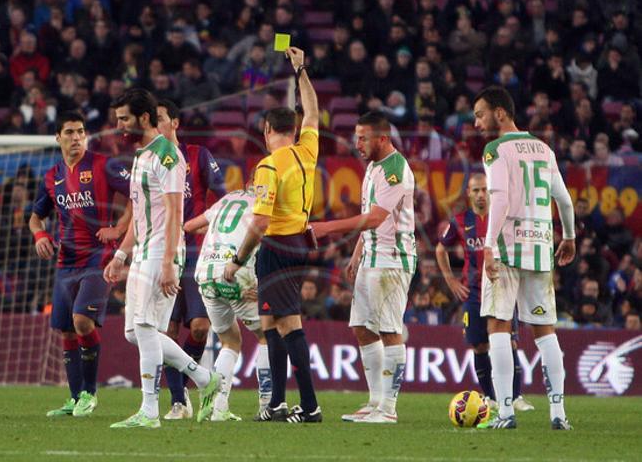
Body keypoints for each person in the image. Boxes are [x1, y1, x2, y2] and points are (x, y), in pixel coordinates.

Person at [104, 88, 220, 428]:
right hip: (143, 251)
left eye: (124, 118)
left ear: (143, 118)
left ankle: (150, 412)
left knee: (145, 327)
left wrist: (170, 261)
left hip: (162, 250)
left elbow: (174, 213)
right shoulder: (143, 155)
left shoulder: (168, 155)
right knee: (133, 332)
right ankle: (203, 378)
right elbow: (140, 215)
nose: (120, 126)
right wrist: (121, 254)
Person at [223, 46, 321, 423]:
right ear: (294, 130)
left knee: (288, 324)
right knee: (269, 323)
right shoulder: (307, 150)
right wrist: (301, 69)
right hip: (295, 242)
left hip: (277, 245)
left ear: (266, 130)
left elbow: (260, 222)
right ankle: (277, 403)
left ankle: (310, 405)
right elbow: (311, 109)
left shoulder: (268, 166)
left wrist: (236, 260)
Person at [473, 86, 576, 430]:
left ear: (500, 113)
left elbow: (499, 199)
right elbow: (563, 198)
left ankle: (505, 412)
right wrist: (571, 237)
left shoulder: (495, 149)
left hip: (506, 246)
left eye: (480, 114)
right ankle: (559, 414)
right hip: (541, 244)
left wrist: (488, 245)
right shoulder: (544, 148)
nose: (476, 122)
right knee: (545, 330)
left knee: (498, 326)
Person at [310, 110, 415, 423]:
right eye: (356, 137)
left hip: (392, 258)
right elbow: (371, 216)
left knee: (389, 330)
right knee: (361, 328)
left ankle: (389, 409)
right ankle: (374, 402)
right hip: (371, 255)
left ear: (382, 138)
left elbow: (376, 218)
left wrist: (329, 228)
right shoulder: (372, 167)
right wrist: (357, 253)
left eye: (363, 137)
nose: (357, 143)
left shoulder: (395, 167)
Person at [30, 110, 131, 418]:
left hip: (98, 258)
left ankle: (90, 394)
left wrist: (118, 228)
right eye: (70, 132)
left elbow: (137, 199)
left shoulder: (104, 165)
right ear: (58, 137)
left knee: (81, 321)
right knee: (66, 331)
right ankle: (75, 399)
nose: (76, 138)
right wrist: (40, 236)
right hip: (66, 260)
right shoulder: (52, 176)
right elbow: (35, 217)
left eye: (80, 132)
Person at [436, 173, 534, 413]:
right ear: (468, 193)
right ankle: (490, 397)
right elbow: (441, 249)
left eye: (485, 190)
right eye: (476, 190)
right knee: (479, 346)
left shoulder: (503, 217)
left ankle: (515, 396)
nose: (481, 195)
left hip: (502, 288)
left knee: (509, 342)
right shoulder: (460, 221)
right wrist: (450, 279)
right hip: (473, 293)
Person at [156, 99, 226, 420]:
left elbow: (222, 197)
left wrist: (205, 224)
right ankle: (177, 401)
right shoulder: (148, 162)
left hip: (197, 252)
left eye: (159, 119)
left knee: (200, 327)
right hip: (162, 252)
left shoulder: (197, 155)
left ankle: (186, 381)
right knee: (167, 329)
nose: (155, 126)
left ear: (175, 123)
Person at [184, 185, 272, 421]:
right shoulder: (265, 204)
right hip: (235, 274)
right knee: (268, 336)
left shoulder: (227, 199)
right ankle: (268, 403)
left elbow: (189, 226)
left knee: (229, 341)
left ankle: (217, 408)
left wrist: (214, 228)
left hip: (205, 273)